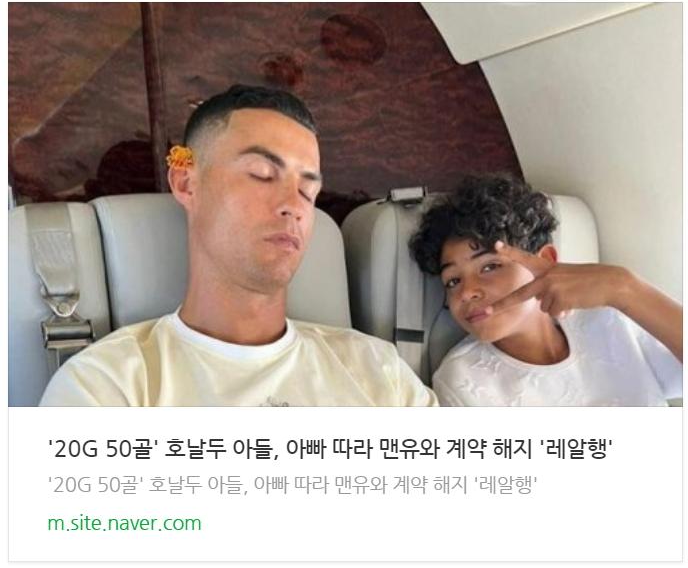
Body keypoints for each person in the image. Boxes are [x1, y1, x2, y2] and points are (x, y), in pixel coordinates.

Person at [40, 84, 437, 407]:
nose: (294, 206)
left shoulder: (379, 372)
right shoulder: (107, 386)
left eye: (308, 190)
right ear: (186, 182)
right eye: (262, 174)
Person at [409, 174, 682, 407]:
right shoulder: (463, 380)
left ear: (545, 262)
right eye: (453, 281)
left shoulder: (608, 319)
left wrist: (624, 287)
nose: (467, 292)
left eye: (490, 267)